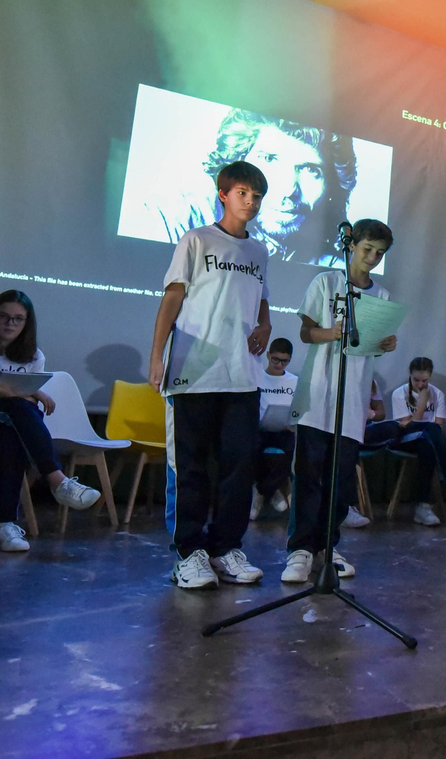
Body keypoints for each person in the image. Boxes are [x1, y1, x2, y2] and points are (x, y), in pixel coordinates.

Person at [148, 160, 272, 589]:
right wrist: (157, 356)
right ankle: (188, 553)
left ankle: (225, 548)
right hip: (194, 371)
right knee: (190, 467)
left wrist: (267, 324)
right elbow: (173, 297)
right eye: (243, 193)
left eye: (257, 196)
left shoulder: (260, 251)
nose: (251, 202)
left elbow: (260, 298)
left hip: (242, 375)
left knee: (239, 466)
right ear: (224, 194)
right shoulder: (196, 239)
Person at [282, 219, 397, 584]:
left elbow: (370, 345)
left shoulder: (381, 296)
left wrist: (384, 344)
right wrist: (330, 332)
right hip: (318, 393)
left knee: (340, 480)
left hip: (352, 397)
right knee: (309, 474)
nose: (373, 258)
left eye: (380, 253)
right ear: (352, 246)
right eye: (367, 249)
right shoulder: (326, 282)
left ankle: (326, 548)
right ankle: (300, 549)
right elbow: (305, 331)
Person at [0, 290, 101, 552]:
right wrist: (14, 393)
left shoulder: (33, 355)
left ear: (26, 324)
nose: (10, 324)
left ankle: (4, 525)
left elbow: (29, 404)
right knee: (17, 408)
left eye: (18, 319)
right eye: (4, 317)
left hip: (6, 423)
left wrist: (15, 393)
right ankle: (58, 481)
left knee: (12, 435)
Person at [203, 108, 357, 266]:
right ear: (237, 161)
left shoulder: (337, 267)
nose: (289, 190)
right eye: (269, 159)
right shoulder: (192, 219)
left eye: (311, 170)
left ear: (333, 186)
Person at [388, 357, 446, 526]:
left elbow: (439, 427)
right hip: (404, 439)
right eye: (416, 380)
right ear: (410, 376)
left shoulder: (438, 394)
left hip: (427, 441)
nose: (420, 385)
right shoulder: (399, 394)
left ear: (430, 377)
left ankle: (423, 507)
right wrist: (422, 404)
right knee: (430, 430)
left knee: (428, 443)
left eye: (424, 381)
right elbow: (406, 426)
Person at [250, 338, 298, 520]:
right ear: (268, 355)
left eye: (284, 361)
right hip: (260, 429)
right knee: (251, 448)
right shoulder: (258, 379)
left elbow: (299, 410)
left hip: (286, 430)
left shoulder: (295, 382)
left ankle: (262, 491)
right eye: (275, 359)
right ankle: (271, 491)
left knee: (294, 454)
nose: (279, 365)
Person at [339, 381, 381, 529]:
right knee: (348, 444)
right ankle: (345, 509)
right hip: (343, 431)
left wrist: (371, 414)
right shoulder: (341, 376)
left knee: (394, 427)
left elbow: (381, 413)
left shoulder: (370, 380)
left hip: (366, 428)